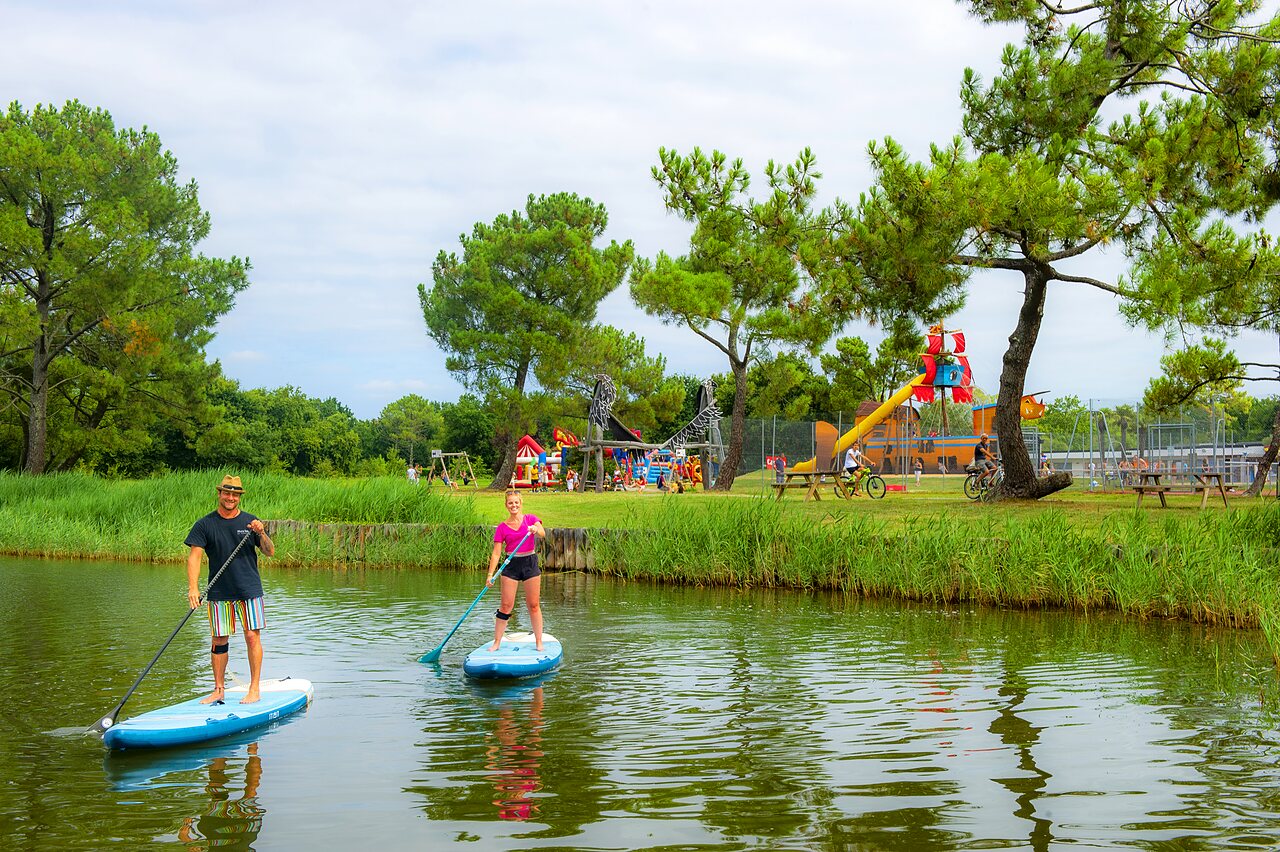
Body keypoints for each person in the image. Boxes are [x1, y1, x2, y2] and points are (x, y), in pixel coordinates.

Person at [185, 475, 275, 705]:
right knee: (218, 640)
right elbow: (194, 557)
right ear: (220, 494)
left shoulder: (250, 522)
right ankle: (218, 689)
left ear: (239, 497)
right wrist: (193, 588)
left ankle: (254, 689)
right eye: (227, 493)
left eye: (235, 494)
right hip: (219, 591)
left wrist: (261, 532)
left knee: (252, 637)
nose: (231, 497)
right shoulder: (205, 524)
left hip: (249, 590)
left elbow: (270, 552)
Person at [487, 490, 549, 651]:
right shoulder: (502, 527)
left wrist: (536, 529)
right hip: (511, 564)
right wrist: (490, 575)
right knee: (506, 605)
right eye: (510, 503)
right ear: (506, 505)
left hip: (529, 562)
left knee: (533, 604)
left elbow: (542, 533)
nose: (513, 505)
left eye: (516, 502)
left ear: (520, 503)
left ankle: (539, 641)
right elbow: (496, 553)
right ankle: (497, 642)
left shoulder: (531, 519)